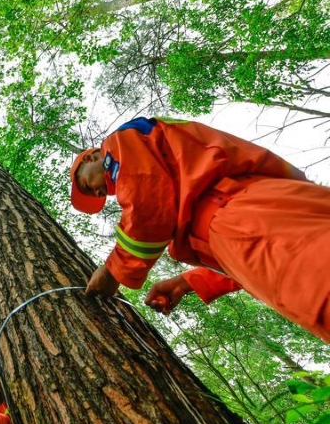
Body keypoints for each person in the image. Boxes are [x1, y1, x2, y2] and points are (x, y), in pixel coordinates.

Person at [69, 116, 330, 342]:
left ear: (91, 157)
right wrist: (189, 281)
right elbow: (263, 259)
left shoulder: (120, 143)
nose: (98, 192)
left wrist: (114, 271)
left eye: (86, 184)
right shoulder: (171, 172)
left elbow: (148, 203)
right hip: (274, 210)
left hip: (243, 215)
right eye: (94, 194)